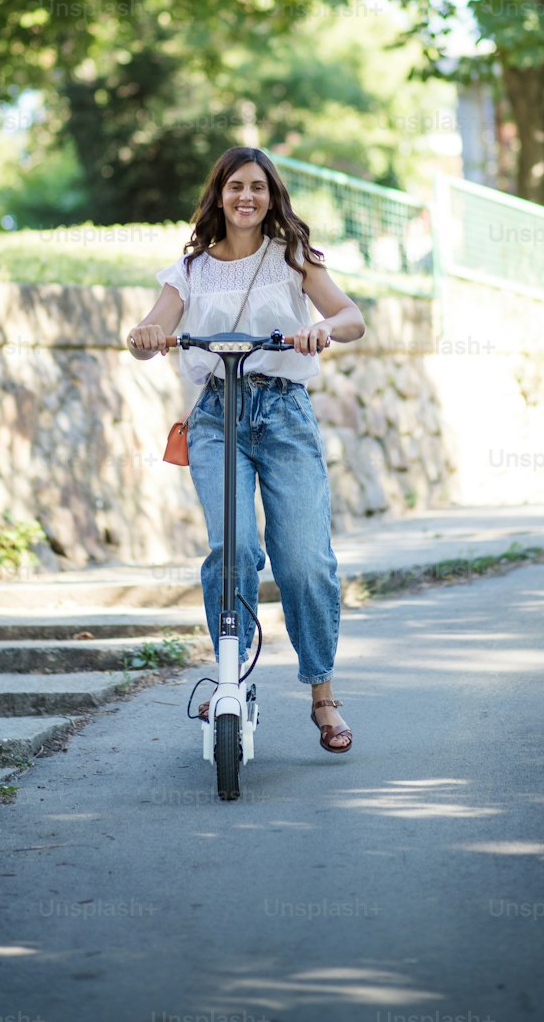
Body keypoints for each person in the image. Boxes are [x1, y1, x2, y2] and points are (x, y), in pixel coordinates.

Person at [126, 146, 366, 753]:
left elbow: (352, 316)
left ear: (272, 195)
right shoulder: (189, 270)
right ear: (219, 194)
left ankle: (322, 695)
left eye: (258, 187)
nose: (247, 197)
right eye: (236, 186)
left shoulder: (293, 260)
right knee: (232, 549)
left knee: (305, 561)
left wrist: (321, 327)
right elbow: (147, 333)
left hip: (284, 412)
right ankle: (228, 675)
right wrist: (147, 334)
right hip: (215, 414)